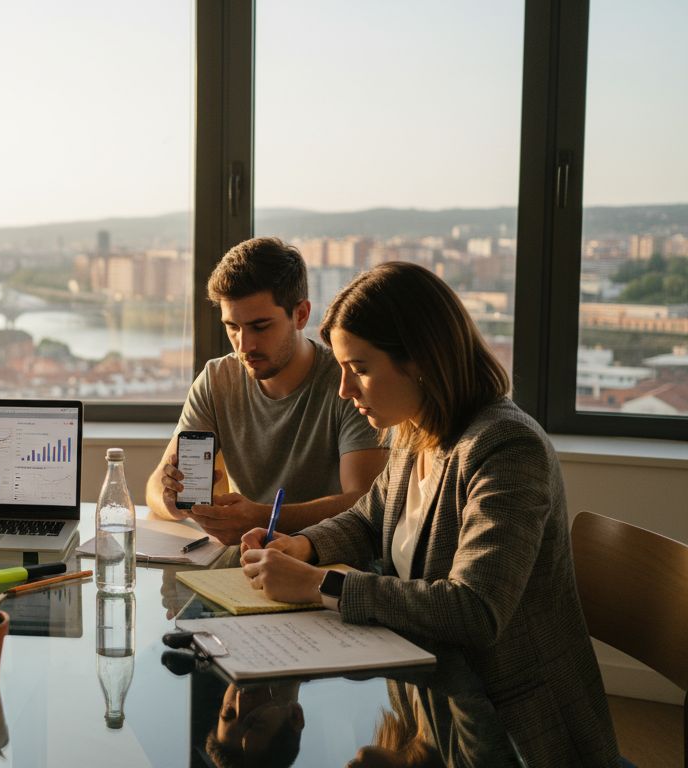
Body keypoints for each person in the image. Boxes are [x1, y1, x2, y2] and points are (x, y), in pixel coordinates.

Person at [238, 262, 619, 765]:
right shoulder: (414, 428)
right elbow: (370, 518)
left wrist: (318, 584)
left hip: (518, 731)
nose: (345, 392)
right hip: (435, 709)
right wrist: (304, 546)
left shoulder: (507, 448)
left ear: (419, 360)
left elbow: (473, 611)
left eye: (361, 369)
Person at [146, 237, 387, 539]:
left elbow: (364, 502)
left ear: (300, 315)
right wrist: (171, 500)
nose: (244, 346)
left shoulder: (347, 383)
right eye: (232, 327)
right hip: (244, 561)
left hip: (324, 561)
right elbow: (154, 487)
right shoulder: (217, 379)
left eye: (260, 327)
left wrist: (262, 518)